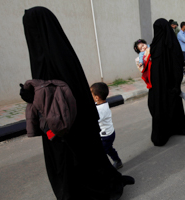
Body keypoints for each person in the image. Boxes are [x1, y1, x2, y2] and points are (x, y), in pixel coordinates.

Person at [21, 7, 134, 199]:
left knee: (76, 158)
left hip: (70, 121)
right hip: (65, 122)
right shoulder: (60, 51)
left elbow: (64, 90)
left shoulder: (55, 54)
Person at [148, 18, 185, 146]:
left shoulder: (158, 45)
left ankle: (166, 132)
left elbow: (176, 63)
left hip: (162, 84)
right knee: (169, 104)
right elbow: (179, 63)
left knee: (162, 105)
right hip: (166, 83)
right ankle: (173, 128)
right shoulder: (169, 44)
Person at [91, 82, 123, 169]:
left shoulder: (101, 110)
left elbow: (94, 121)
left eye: (91, 94)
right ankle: (118, 161)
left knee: (101, 153)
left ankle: (106, 169)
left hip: (106, 136)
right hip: (108, 133)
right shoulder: (101, 103)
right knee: (109, 149)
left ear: (97, 97)